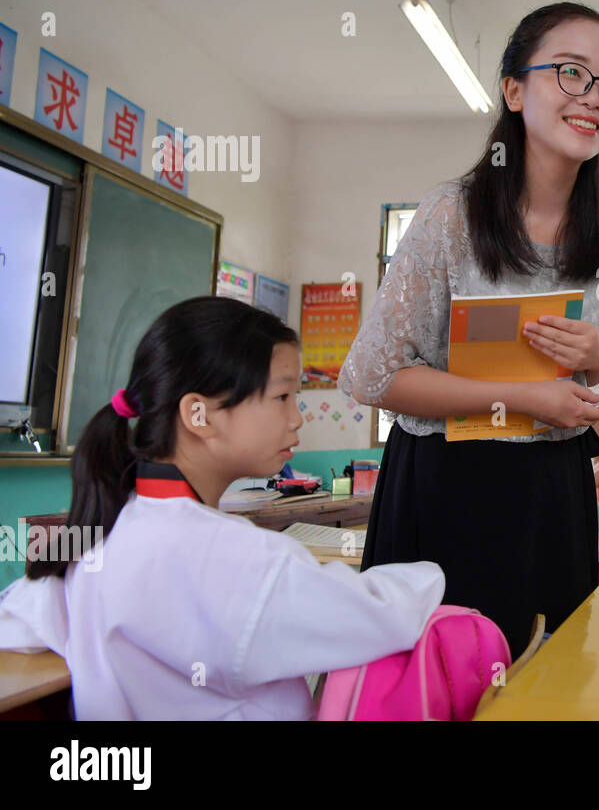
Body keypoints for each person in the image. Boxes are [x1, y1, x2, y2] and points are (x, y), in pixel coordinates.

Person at [339, 2, 599, 657]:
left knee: (546, 679)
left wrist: (596, 352)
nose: (596, 97)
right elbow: (372, 375)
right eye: (571, 73)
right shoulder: (453, 214)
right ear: (512, 89)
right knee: (445, 679)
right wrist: (525, 398)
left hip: (555, 484)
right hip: (449, 484)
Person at [0, 297, 447, 720]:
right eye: (282, 397)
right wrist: (433, 577)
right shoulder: (231, 560)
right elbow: (383, 616)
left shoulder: (106, 533)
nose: (297, 418)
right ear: (199, 415)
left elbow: (15, 621)